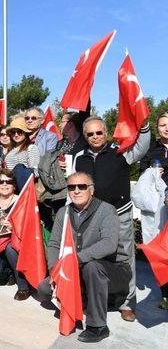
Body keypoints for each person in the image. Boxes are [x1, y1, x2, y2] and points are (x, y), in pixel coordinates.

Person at [37, 172, 131, 343]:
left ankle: (98, 326)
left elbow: (109, 244)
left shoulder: (106, 210)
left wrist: (74, 260)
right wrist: (55, 270)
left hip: (113, 270)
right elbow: (54, 244)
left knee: (92, 267)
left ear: (92, 190)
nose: (77, 191)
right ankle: (84, 297)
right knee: (43, 290)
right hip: (74, 268)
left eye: (82, 186)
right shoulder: (63, 213)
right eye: (72, 187)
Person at [72, 116, 150, 322]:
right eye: (90, 134)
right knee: (95, 258)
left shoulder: (121, 151)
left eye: (99, 132)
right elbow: (74, 185)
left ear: (105, 133)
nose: (95, 137)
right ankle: (95, 299)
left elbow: (142, 146)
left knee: (124, 258)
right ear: (85, 136)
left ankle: (126, 304)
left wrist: (144, 125)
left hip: (120, 212)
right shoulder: (79, 157)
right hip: (92, 216)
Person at [0, 169, 30, 300]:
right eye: (0, 181)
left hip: (17, 244)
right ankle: (10, 274)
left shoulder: (21, 202)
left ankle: (23, 287)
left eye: (8, 181)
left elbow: (30, 226)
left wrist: (15, 227)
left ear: (14, 185)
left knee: (10, 248)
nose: (4, 184)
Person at [138, 114, 168, 309]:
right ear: (157, 128)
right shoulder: (151, 150)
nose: (167, 128)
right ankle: (165, 293)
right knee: (161, 250)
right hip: (159, 210)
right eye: (163, 125)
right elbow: (142, 176)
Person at [4, 117, 40, 181]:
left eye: (19, 131)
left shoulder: (31, 148)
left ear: (25, 133)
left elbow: (35, 172)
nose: (16, 135)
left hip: (24, 184)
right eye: (13, 132)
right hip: (10, 184)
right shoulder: (10, 150)